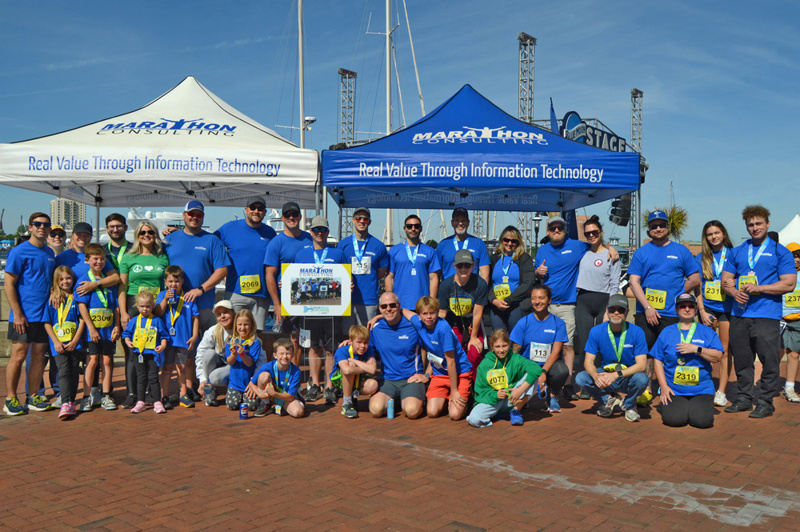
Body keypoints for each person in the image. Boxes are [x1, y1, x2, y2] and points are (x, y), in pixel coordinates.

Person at [721, 205, 797, 418]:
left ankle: (765, 401)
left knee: (769, 360)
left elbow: (789, 283)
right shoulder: (738, 251)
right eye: (750, 224)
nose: (755, 228)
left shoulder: (780, 252)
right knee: (743, 360)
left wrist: (760, 288)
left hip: (766, 314)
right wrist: (734, 292)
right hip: (740, 314)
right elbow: (725, 280)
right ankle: (744, 398)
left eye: (758, 224)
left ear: (768, 224)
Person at [533, 215, 618, 400]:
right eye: (553, 228)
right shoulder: (542, 250)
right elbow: (536, 274)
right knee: (544, 345)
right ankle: (543, 382)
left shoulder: (577, 246)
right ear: (548, 231)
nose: (557, 230)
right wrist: (536, 272)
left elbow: (596, 245)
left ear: (565, 230)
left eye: (560, 228)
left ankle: (569, 384)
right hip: (545, 306)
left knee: (568, 346)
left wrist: (612, 247)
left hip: (567, 305)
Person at [627, 210, 701, 402]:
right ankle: (646, 390)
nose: (658, 229)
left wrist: (678, 294)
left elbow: (695, 278)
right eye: (654, 226)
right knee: (647, 352)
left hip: (671, 313)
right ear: (649, 229)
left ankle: (668, 387)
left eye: (661, 225)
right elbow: (634, 282)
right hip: (646, 312)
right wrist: (648, 307)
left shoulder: (681, 251)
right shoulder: (641, 252)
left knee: (671, 351)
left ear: (668, 227)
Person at [164, 200, 229, 398]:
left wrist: (201, 289)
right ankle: (188, 388)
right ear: (184, 216)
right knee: (182, 351)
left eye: (198, 215)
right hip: (177, 309)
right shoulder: (170, 239)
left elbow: (222, 270)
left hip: (204, 306)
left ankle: (207, 386)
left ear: (203, 217)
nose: (194, 217)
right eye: (190, 214)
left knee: (208, 350)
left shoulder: (211, 241)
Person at [3, 212, 56, 415]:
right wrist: (17, 313)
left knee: (38, 356)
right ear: (31, 228)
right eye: (37, 224)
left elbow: (50, 281)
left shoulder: (49, 253)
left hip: (43, 316)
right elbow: (8, 283)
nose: (42, 227)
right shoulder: (19, 251)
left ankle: (33, 395)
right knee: (18, 356)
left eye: (45, 224)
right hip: (23, 315)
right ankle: (10, 399)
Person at [293, 215, 348, 404]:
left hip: (332, 310)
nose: (319, 233)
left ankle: (330, 386)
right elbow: (295, 280)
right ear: (310, 232)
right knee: (313, 347)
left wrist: (349, 286)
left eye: (323, 230)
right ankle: (315, 384)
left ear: (328, 231)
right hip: (309, 311)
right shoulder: (301, 254)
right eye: (316, 230)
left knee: (331, 349)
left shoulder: (338, 253)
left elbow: (347, 278)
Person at [652, 293, 724, 428]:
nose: (687, 309)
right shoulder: (667, 332)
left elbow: (718, 356)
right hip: (674, 389)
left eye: (691, 306)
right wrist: (663, 386)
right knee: (674, 421)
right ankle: (679, 407)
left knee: (702, 422)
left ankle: (693, 407)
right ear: (676, 310)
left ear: (696, 310)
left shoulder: (707, 332)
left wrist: (697, 349)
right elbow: (657, 359)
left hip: (701, 389)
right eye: (682, 306)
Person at [118, 220, 170, 408]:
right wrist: (123, 312)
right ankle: (133, 394)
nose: (146, 235)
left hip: (156, 309)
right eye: (142, 233)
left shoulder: (163, 256)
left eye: (150, 232)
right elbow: (122, 287)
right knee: (134, 352)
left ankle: (151, 392)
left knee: (153, 352)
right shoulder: (129, 258)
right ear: (137, 236)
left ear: (155, 235)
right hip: (135, 308)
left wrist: (172, 231)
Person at [574, 294, 649, 422]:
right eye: (612, 309)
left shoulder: (637, 332)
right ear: (607, 311)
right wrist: (596, 376)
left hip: (626, 378)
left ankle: (629, 405)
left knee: (642, 379)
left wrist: (616, 375)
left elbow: (641, 365)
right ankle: (609, 399)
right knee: (581, 378)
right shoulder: (596, 331)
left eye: (620, 310)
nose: (616, 313)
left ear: (627, 312)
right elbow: (588, 362)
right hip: (605, 377)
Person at [214, 196, 277, 333]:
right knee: (234, 333)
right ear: (246, 210)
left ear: (265, 212)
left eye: (260, 209)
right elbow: (208, 243)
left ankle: (252, 356)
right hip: (236, 292)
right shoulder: (228, 228)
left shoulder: (270, 233)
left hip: (262, 294)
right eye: (253, 208)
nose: (256, 211)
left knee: (257, 334)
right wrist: (179, 231)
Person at [574, 216, 621, 395]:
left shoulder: (611, 254)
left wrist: (610, 309)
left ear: (601, 232)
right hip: (584, 300)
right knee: (585, 343)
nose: (591, 235)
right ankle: (586, 383)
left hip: (604, 302)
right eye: (588, 234)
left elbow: (615, 284)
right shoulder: (582, 252)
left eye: (595, 232)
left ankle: (603, 381)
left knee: (602, 342)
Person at [407, 297, 472, 420]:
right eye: (425, 313)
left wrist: (454, 391)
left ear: (437, 313)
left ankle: (465, 400)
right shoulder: (419, 322)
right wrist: (378, 317)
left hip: (459, 372)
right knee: (431, 413)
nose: (429, 317)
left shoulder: (443, 330)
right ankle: (446, 399)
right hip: (439, 373)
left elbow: (451, 361)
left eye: (432, 313)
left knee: (454, 415)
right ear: (419, 315)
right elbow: (403, 311)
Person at [75, 243, 121, 412]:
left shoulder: (107, 282)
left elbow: (115, 306)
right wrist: (91, 329)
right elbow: (82, 307)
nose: (99, 262)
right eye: (95, 259)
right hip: (91, 332)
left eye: (102, 259)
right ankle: (86, 397)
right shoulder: (83, 281)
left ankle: (107, 394)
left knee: (108, 361)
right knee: (92, 361)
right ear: (87, 260)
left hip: (108, 330)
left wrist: (117, 326)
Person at [510, 285, 569, 413]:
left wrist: (543, 372)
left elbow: (556, 352)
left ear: (549, 300)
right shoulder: (523, 322)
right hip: (527, 365)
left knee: (562, 370)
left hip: (548, 366)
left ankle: (552, 396)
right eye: (534, 298)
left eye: (541, 298)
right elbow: (515, 349)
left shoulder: (558, 323)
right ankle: (522, 397)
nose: (537, 302)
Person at [694, 220, 734, 407]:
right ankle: (705, 386)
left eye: (717, 232)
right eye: (710, 234)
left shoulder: (733, 255)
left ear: (723, 234)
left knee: (724, 351)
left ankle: (722, 391)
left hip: (728, 309)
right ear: (706, 237)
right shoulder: (702, 258)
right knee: (705, 349)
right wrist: (701, 311)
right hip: (707, 309)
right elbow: (697, 288)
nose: (714, 237)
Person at [367, 292, 427, 419]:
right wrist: (349, 342)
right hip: (387, 380)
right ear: (379, 309)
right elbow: (362, 346)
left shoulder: (413, 326)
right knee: (375, 410)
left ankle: (411, 399)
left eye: (392, 305)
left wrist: (426, 374)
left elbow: (434, 349)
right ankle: (398, 400)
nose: (388, 309)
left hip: (411, 380)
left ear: (399, 305)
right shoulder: (375, 328)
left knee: (412, 412)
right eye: (384, 306)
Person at [467, 329, 543, 427]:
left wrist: (520, 390)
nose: (501, 350)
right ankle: (499, 413)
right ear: (492, 347)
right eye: (497, 346)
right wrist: (496, 394)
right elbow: (481, 391)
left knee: (533, 377)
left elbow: (536, 369)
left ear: (509, 345)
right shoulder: (485, 364)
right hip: (492, 401)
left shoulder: (515, 358)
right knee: (474, 420)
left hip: (512, 397)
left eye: (504, 346)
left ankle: (515, 410)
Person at [264, 201, 313, 336]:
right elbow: (269, 275)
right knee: (285, 341)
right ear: (283, 218)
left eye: (295, 214)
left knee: (303, 340)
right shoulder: (276, 243)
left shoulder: (310, 239)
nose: (292, 217)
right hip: (285, 302)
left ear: (300, 217)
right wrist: (277, 305)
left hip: (309, 299)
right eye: (287, 215)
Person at [438, 249, 488, 379]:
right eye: (460, 266)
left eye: (467, 265)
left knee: (474, 354)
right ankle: (459, 383)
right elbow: (442, 313)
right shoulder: (446, 285)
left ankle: (474, 385)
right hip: (453, 325)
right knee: (453, 353)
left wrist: (473, 337)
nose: (464, 269)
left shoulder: (480, 284)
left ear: (473, 265)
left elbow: (477, 312)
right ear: (455, 266)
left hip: (473, 326)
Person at [43, 266, 85, 420]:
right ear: (56, 282)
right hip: (58, 344)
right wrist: (55, 342)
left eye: (68, 278)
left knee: (74, 371)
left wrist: (75, 340)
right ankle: (65, 402)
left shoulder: (77, 298)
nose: (65, 281)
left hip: (74, 343)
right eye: (61, 279)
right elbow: (47, 322)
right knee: (64, 370)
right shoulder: (53, 299)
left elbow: (82, 321)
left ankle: (72, 401)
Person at [155, 265, 200, 408]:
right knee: (167, 368)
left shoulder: (188, 297)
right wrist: (164, 301)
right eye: (170, 281)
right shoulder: (162, 295)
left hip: (183, 339)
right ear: (165, 282)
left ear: (182, 281)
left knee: (181, 367)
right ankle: (164, 396)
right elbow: (158, 313)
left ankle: (183, 395)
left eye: (176, 281)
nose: (173, 284)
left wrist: (194, 336)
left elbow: (195, 318)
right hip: (166, 340)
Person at [338, 207, 390, 328]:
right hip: (346, 301)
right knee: (347, 337)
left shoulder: (379, 246)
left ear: (369, 222)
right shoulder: (342, 245)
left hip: (369, 301)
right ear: (353, 220)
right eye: (358, 218)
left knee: (367, 336)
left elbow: (381, 273)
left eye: (365, 219)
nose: (362, 221)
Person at [122, 290, 170, 414]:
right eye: (142, 306)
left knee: (153, 378)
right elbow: (126, 333)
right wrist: (128, 341)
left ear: (152, 306)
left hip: (153, 355)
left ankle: (157, 401)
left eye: (148, 306)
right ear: (137, 306)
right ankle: (140, 401)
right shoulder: (134, 321)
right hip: (139, 354)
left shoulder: (157, 321)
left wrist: (163, 344)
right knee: (141, 377)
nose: (145, 309)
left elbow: (164, 335)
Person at [385, 214, 441, 310]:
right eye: (409, 226)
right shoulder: (394, 251)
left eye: (416, 226)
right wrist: (390, 302)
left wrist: (432, 301)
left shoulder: (429, 251)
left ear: (421, 228)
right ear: (404, 228)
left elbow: (434, 278)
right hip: (400, 305)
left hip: (423, 305)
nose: (413, 229)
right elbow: (390, 277)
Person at [488, 225, 535, 333]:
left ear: (518, 242)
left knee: (516, 339)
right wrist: (494, 300)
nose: (509, 243)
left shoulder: (524, 258)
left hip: (516, 305)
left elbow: (528, 283)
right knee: (499, 339)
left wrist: (509, 299)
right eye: (506, 240)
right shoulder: (494, 258)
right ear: (502, 240)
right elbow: (488, 283)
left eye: (513, 241)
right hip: (496, 306)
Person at [246, 338, 306, 418]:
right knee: (264, 376)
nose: (285, 356)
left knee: (298, 412)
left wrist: (274, 393)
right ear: (275, 355)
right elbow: (251, 383)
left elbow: (290, 396)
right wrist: (260, 395)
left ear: (292, 355)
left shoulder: (296, 371)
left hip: (285, 397)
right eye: (281, 353)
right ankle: (266, 404)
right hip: (270, 396)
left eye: (288, 353)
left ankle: (287, 405)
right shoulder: (267, 366)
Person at [330, 325, 379, 419]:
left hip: (357, 377)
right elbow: (346, 370)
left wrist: (355, 361)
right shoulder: (342, 350)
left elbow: (373, 370)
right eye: (359, 342)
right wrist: (365, 367)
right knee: (350, 366)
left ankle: (353, 395)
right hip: (339, 380)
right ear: (351, 341)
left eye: (365, 343)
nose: (362, 346)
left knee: (373, 385)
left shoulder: (368, 349)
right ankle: (347, 402)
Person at [195, 300, 236, 406]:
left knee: (216, 377)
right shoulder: (213, 330)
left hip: (236, 365)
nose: (222, 316)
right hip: (221, 362)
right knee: (208, 354)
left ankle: (235, 388)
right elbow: (200, 354)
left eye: (226, 312)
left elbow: (258, 355)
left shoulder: (242, 328)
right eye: (219, 314)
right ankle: (209, 389)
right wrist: (202, 379)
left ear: (233, 313)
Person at [436, 207, 491, 284]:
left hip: (472, 292)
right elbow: (435, 275)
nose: (460, 223)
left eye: (463, 220)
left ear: (468, 222)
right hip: (449, 292)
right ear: (452, 223)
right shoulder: (443, 245)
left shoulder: (479, 244)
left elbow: (485, 275)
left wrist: (481, 293)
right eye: (457, 220)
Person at [224, 309, 264, 412]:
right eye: (239, 324)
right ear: (235, 325)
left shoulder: (255, 342)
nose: (242, 328)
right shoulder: (230, 340)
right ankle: (240, 396)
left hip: (249, 383)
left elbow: (250, 363)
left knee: (251, 407)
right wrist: (233, 354)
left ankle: (247, 397)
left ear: (251, 325)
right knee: (231, 405)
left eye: (246, 324)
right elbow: (230, 362)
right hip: (235, 383)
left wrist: (242, 354)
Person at [781, 242, 800, 403]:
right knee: (774, 353)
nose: (796, 259)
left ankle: (790, 386)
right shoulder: (779, 272)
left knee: (794, 354)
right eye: (792, 255)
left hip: (798, 320)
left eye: (798, 255)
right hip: (780, 319)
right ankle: (768, 385)